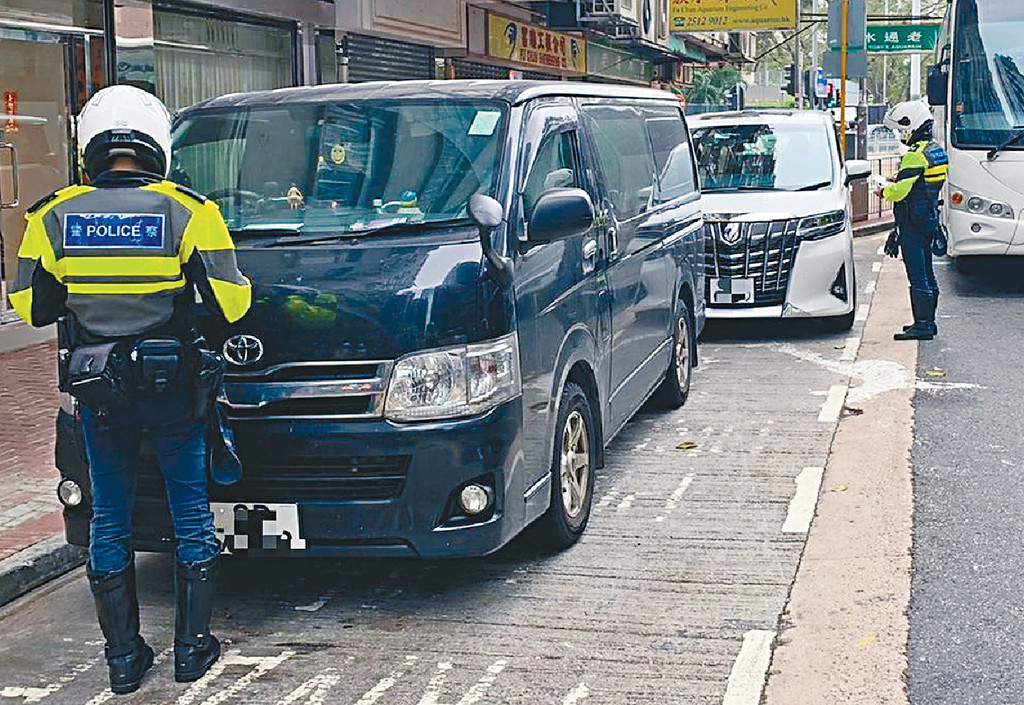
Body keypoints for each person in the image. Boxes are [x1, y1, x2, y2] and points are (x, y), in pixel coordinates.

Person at [8, 85, 251, 693]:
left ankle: (123, 660)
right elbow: (233, 304)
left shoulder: (50, 215)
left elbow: (30, 307)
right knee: (189, 511)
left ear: (90, 146)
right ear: (157, 146)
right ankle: (192, 652)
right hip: (172, 389)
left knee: (109, 517)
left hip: (99, 393)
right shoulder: (189, 211)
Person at [876, 100, 948, 341]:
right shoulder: (936, 151)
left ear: (913, 124)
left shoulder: (915, 156)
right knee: (928, 272)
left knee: (917, 274)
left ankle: (923, 326)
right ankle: (928, 322)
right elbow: (922, 181)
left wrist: (883, 190)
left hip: (912, 222)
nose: (902, 133)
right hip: (928, 218)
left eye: (902, 128)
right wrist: (899, 176)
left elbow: (900, 193)